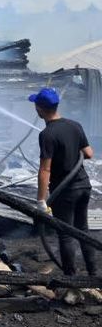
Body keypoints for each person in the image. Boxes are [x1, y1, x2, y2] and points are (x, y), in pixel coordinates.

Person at [31, 87, 97, 276]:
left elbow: (45, 169)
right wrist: (72, 148)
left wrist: (41, 202)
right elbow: (89, 154)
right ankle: (93, 274)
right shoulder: (74, 125)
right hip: (84, 186)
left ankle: (71, 279)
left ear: (39, 109)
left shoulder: (47, 134)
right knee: (83, 231)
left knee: (66, 234)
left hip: (65, 191)